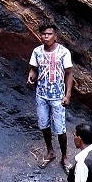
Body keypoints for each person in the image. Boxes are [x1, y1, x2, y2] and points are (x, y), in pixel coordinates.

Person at [26, 24, 73, 171]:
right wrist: (30, 77)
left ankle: (64, 157)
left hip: (58, 96)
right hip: (41, 94)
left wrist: (68, 94)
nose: (46, 37)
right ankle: (50, 151)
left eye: (49, 34)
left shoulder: (63, 52)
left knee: (60, 128)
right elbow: (34, 68)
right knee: (44, 125)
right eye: (43, 34)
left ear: (55, 36)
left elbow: (69, 73)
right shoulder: (37, 51)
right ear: (40, 36)